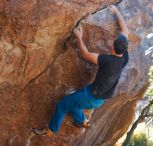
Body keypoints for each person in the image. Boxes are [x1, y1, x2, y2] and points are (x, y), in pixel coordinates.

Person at [33, 5, 129, 136]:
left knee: (62, 105)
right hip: (99, 99)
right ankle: (82, 121)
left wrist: (79, 37)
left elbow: (85, 54)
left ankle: (50, 130)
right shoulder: (125, 57)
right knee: (74, 104)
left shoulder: (107, 60)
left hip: (90, 96)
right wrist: (116, 11)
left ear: (113, 49)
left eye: (113, 42)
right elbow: (125, 30)